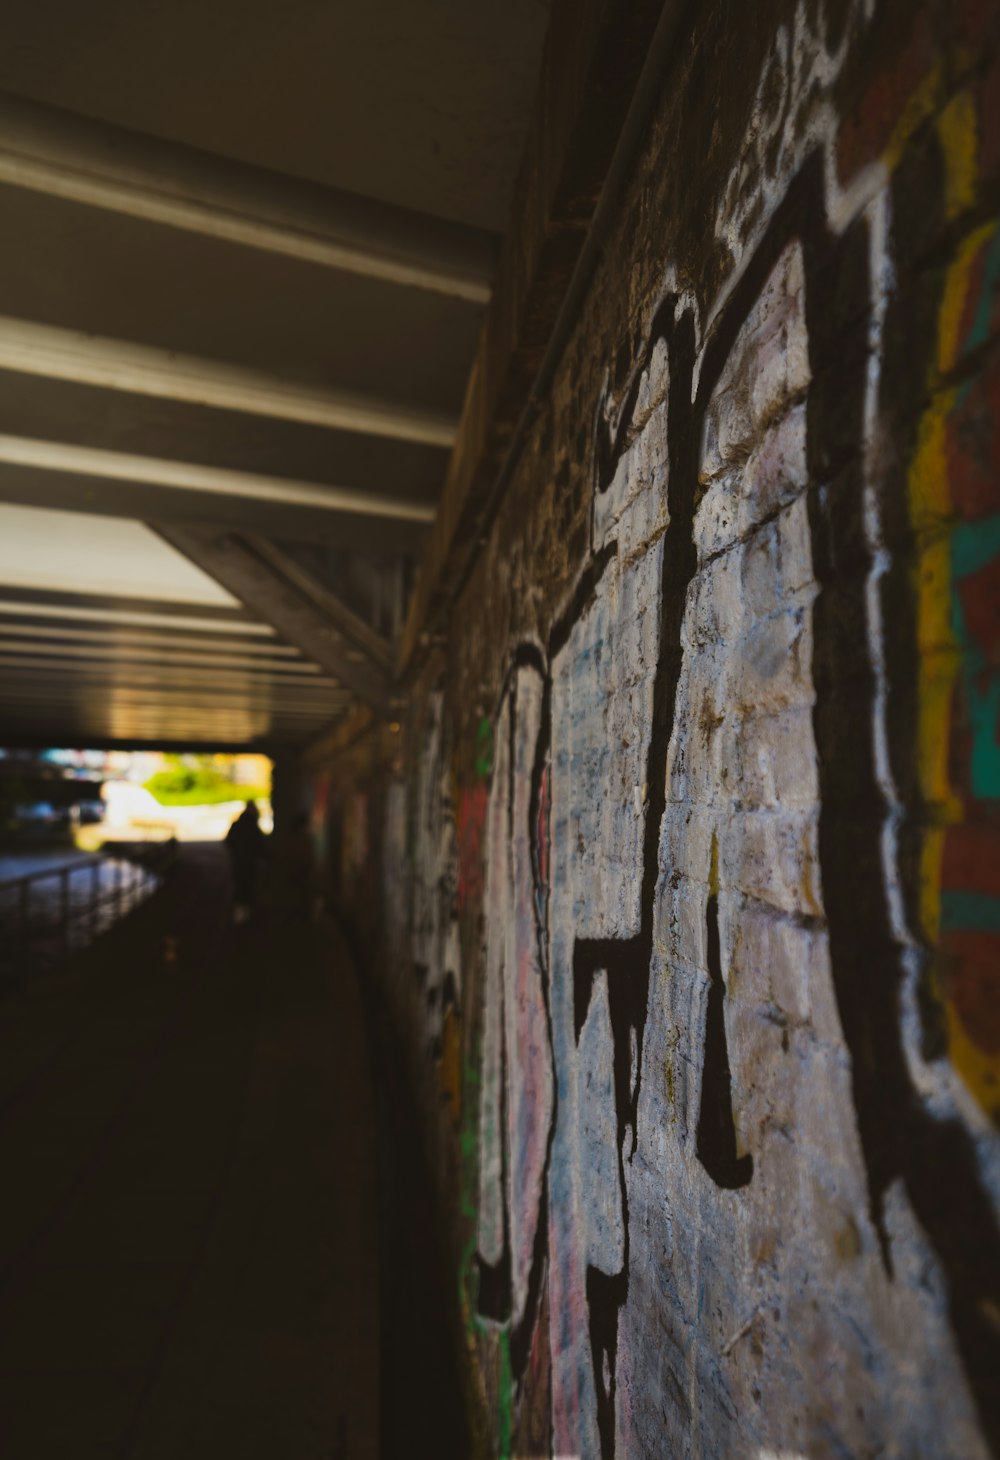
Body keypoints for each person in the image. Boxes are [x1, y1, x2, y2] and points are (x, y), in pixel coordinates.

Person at [225, 800, 267, 922]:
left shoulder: (237, 825)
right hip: (250, 864)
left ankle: (239, 915)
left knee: (239, 888)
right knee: (248, 888)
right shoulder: (254, 827)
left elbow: (228, 842)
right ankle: (246, 915)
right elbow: (261, 846)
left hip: (238, 862)